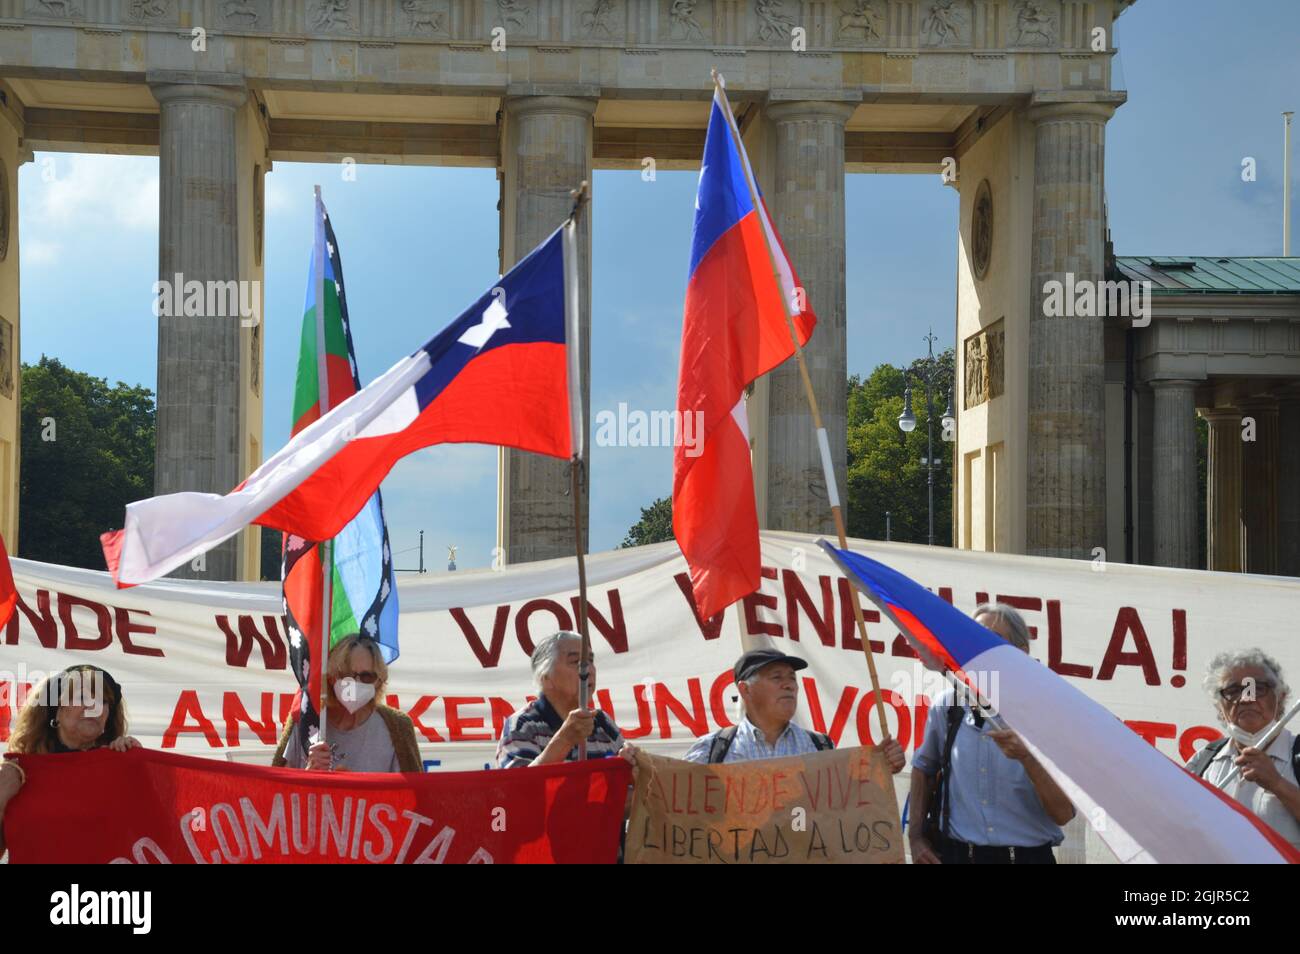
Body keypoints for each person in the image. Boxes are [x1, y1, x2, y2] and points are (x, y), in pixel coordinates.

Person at [909, 603, 1075, 864]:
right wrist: (915, 838)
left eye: (991, 640)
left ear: (1020, 653)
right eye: (972, 637)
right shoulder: (948, 707)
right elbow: (923, 768)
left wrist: (1028, 758)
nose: (977, 647)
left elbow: (1063, 813)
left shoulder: (1048, 715)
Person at [682, 648, 907, 769]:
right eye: (776, 677)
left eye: (792, 678)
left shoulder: (820, 747)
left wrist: (883, 766)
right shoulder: (712, 751)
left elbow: (848, 802)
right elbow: (675, 804)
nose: (789, 684)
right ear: (745, 690)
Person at [0, 665, 141, 857]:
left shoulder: (120, 768)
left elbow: (162, 841)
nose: (94, 707)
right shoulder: (16, 773)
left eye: (103, 701)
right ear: (56, 711)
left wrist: (142, 773)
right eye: (82, 697)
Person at [1185, 648, 1300, 851]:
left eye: (1258, 688)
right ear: (1220, 705)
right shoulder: (1204, 761)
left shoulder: (1296, 756)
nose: (1246, 698)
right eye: (1232, 691)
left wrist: (1278, 784)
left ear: (1280, 698)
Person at [273, 633, 422, 773]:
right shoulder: (306, 718)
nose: (355, 683)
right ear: (331, 677)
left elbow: (412, 794)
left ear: (379, 681)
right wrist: (309, 773)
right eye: (346, 675)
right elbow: (278, 793)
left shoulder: (397, 727)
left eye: (366, 676)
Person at [497, 630, 638, 768]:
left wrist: (626, 764)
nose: (588, 670)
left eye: (590, 660)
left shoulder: (602, 722)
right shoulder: (523, 725)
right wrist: (564, 740)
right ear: (546, 678)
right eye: (576, 661)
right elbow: (517, 787)